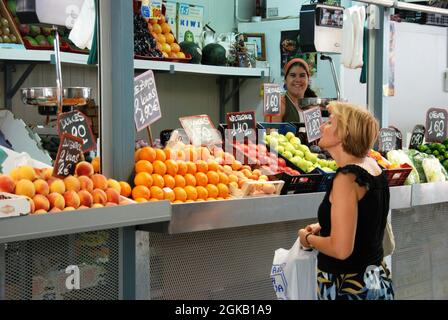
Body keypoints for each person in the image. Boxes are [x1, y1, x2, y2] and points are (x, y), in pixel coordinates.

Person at [298, 101, 394, 300]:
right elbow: (365, 217)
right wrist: (325, 224)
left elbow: (341, 250)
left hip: (348, 286)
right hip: (376, 279)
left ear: (345, 133)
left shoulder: (346, 178)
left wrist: (307, 239)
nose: (322, 127)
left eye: (330, 123)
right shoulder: (373, 167)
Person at [269, 58, 317, 123]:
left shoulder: (313, 105)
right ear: (285, 80)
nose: (298, 80)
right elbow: (270, 132)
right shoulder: (276, 105)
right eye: (293, 75)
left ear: (308, 80)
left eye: (302, 75)